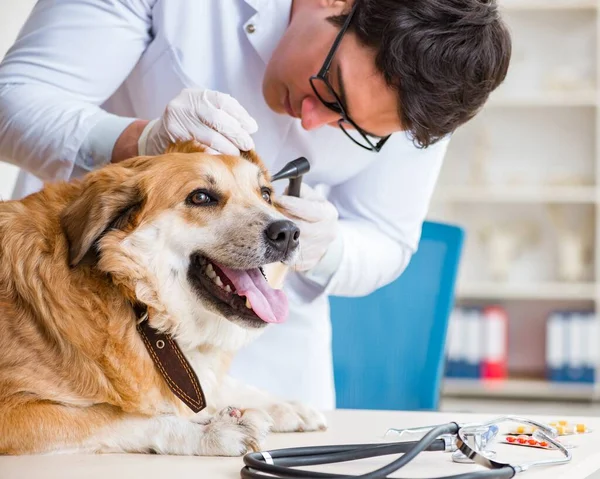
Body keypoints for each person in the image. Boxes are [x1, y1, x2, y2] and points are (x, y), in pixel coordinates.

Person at [0, 0, 511, 410]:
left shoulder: (426, 96)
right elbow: (13, 98)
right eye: (329, 88)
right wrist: (140, 141)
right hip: (68, 316)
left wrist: (327, 248)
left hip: (263, 358)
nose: (312, 123)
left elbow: (388, 239)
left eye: (355, 129)